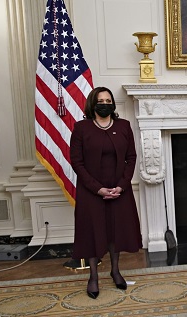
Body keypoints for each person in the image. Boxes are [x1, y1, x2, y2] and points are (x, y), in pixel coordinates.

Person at [70, 87, 142, 299]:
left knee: (115, 231)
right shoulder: (82, 128)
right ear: (93, 104)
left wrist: (122, 185)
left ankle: (115, 270)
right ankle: (93, 277)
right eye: (100, 100)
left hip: (119, 189)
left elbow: (131, 157)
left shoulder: (123, 126)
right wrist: (97, 188)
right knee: (93, 233)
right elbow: (77, 162)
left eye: (108, 100)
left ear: (113, 104)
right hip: (91, 191)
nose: (105, 103)